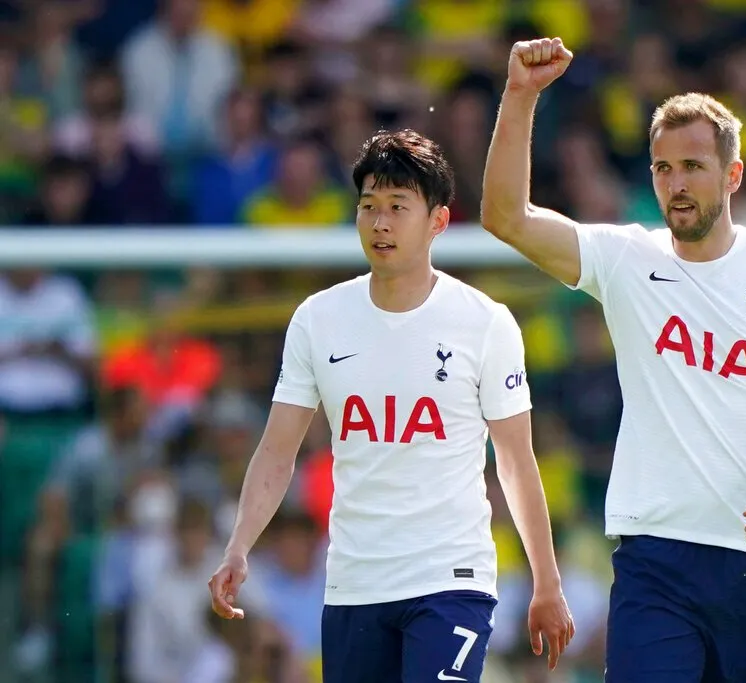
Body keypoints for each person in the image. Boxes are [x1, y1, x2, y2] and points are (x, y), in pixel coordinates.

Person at [480, 38, 746, 682]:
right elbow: (505, 217)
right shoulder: (629, 259)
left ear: (732, 175)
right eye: (661, 169)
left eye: (692, 167)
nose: (675, 185)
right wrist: (519, 96)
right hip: (656, 560)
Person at [208, 129, 575, 683]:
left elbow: (517, 462)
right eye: (369, 207)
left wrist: (546, 581)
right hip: (355, 582)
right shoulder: (317, 319)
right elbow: (277, 451)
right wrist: (239, 547)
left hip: (451, 580)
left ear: (438, 221)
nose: (380, 222)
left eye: (398, 207)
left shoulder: (485, 322)